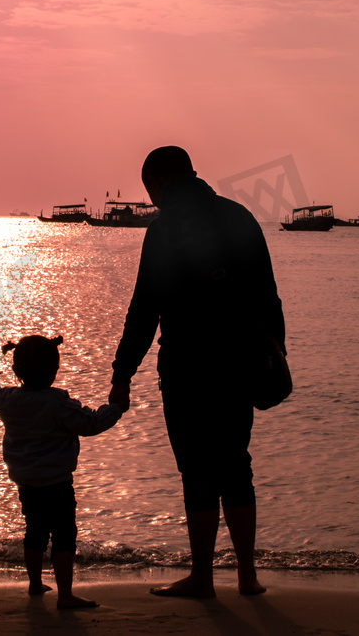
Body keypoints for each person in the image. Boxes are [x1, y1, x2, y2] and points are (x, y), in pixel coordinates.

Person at [108, 146, 285, 598]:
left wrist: (121, 373)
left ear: (158, 184)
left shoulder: (164, 231)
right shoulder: (239, 217)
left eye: (150, 192)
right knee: (236, 465)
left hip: (187, 366)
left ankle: (203, 578)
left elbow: (143, 311)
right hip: (240, 362)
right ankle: (248, 577)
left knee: (198, 471)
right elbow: (269, 295)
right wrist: (275, 354)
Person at [0, 334, 126, 609]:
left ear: (16, 371)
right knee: (64, 536)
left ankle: (34, 584)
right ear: (55, 370)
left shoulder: (9, 400)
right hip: (58, 485)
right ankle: (65, 595)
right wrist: (115, 409)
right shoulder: (58, 403)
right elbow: (90, 423)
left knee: (35, 533)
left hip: (27, 484)